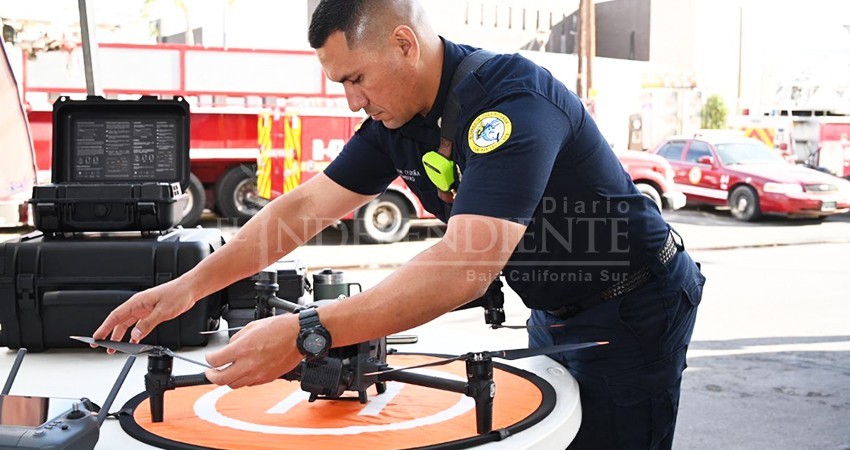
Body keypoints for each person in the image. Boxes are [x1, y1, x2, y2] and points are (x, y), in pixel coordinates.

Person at [93, 0, 705, 448]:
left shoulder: (514, 104)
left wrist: (307, 330)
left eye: (355, 79)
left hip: (635, 305)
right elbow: (302, 211)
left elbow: (465, 266)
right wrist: (188, 287)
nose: (351, 101)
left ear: (405, 45)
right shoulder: (397, 121)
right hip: (555, 309)